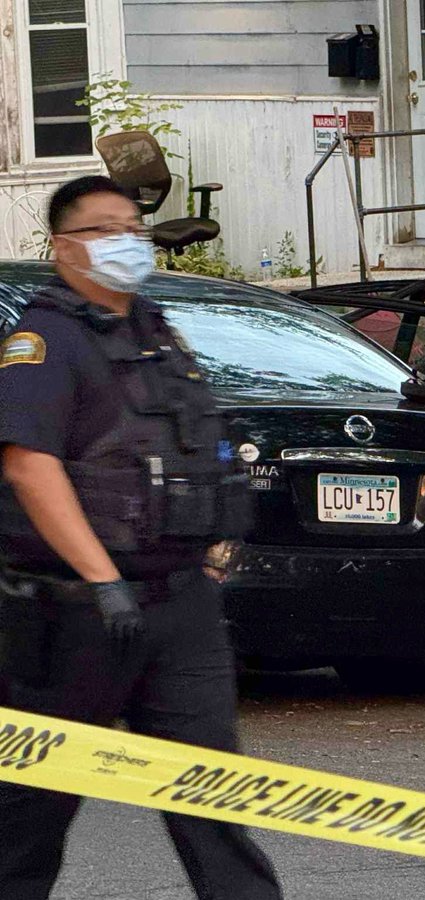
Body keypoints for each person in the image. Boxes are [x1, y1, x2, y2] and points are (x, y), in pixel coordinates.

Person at [0, 176, 282, 899]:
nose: (125, 239)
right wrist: (102, 581)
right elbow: (30, 465)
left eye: (132, 224)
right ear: (65, 248)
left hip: (179, 609)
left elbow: (194, 445)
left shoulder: (156, 330)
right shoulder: (45, 342)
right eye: (102, 229)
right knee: (31, 816)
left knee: (216, 801)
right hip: (73, 613)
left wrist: (217, 543)